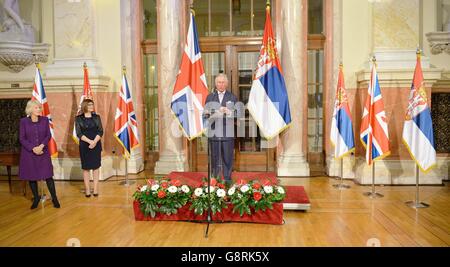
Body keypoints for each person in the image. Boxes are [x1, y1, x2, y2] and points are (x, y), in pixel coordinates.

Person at [19, 99, 60, 209]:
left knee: (48, 175)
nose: (39, 109)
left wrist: (41, 146)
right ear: (30, 109)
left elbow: (48, 135)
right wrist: (33, 148)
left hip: (43, 152)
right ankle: (36, 197)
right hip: (29, 153)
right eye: (36, 108)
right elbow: (22, 138)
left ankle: (54, 198)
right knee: (32, 176)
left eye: (39, 107)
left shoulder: (45, 120)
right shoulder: (23, 121)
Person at [204, 73, 238, 185]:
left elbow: (238, 114)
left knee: (228, 158)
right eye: (219, 82)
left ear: (227, 84)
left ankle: (227, 180)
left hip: (227, 133)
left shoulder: (232, 97)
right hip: (214, 132)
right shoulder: (210, 97)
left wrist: (228, 112)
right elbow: (205, 114)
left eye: (223, 82)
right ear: (215, 83)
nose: (221, 84)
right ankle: (215, 180)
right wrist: (216, 112)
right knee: (214, 158)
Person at [75, 99, 103, 197]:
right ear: (85, 106)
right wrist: (90, 142)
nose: (92, 106)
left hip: (96, 144)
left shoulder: (97, 117)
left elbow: (100, 131)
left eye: (92, 104)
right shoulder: (78, 118)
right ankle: (87, 190)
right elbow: (79, 133)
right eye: (90, 104)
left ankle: (95, 189)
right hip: (84, 145)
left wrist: (94, 142)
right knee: (86, 168)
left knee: (96, 167)